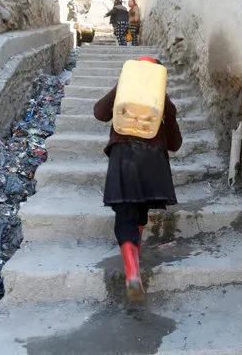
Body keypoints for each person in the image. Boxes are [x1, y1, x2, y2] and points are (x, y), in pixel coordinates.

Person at [93, 56, 183, 302]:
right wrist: (169, 113)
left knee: (125, 216)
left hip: (124, 158)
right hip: (153, 163)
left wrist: (119, 88)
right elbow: (175, 144)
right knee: (140, 212)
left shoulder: (123, 91)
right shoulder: (163, 100)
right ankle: (135, 258)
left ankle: (132, 271)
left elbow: (99, 113)